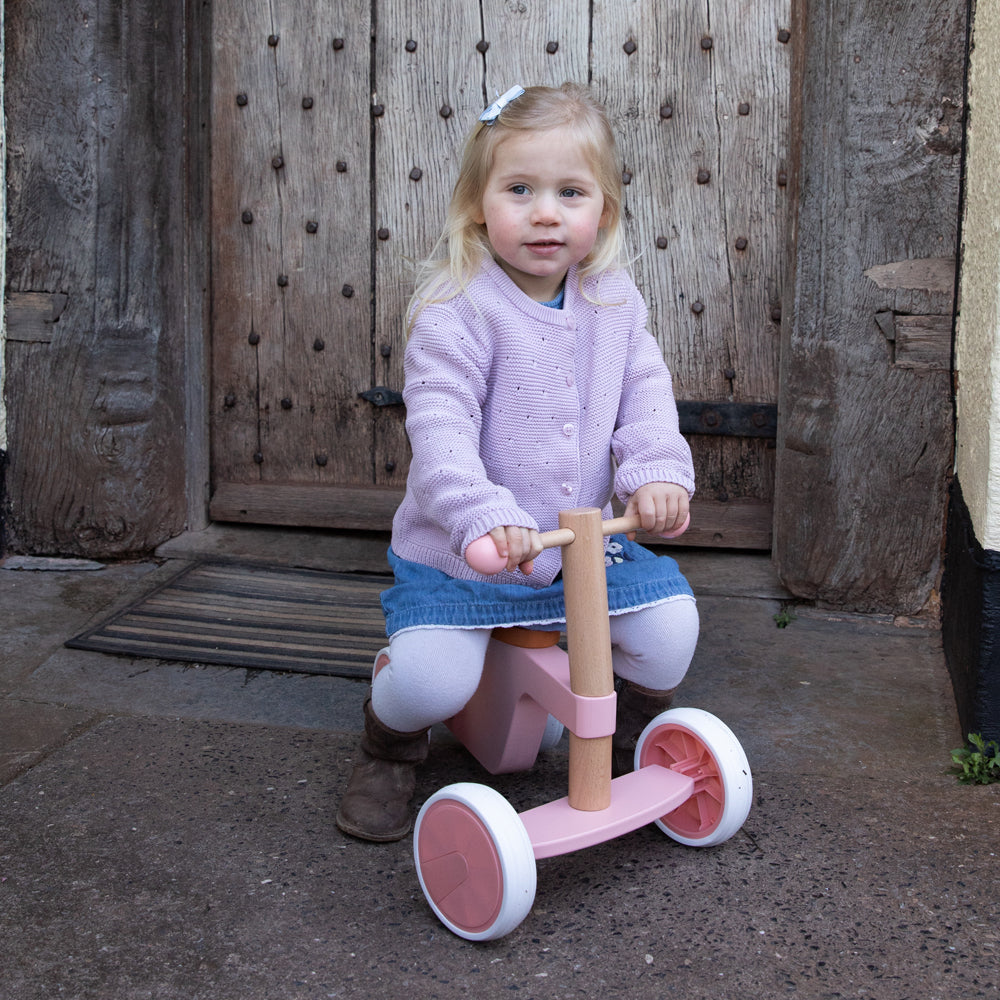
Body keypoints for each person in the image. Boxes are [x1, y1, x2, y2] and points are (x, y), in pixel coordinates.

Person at [336, 82, 699, 842]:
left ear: (604, 209)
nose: (545, 212)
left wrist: (657, 470)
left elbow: (645, 395)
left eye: (571, 192)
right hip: (467, 552)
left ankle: (629, 728)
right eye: (520, 190)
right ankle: (389, 740)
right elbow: (441, 433)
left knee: (671, 634)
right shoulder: (457, 309)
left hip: (585, 545)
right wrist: (482, 516)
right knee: (433, 680)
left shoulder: (612, 301)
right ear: (478, 204)